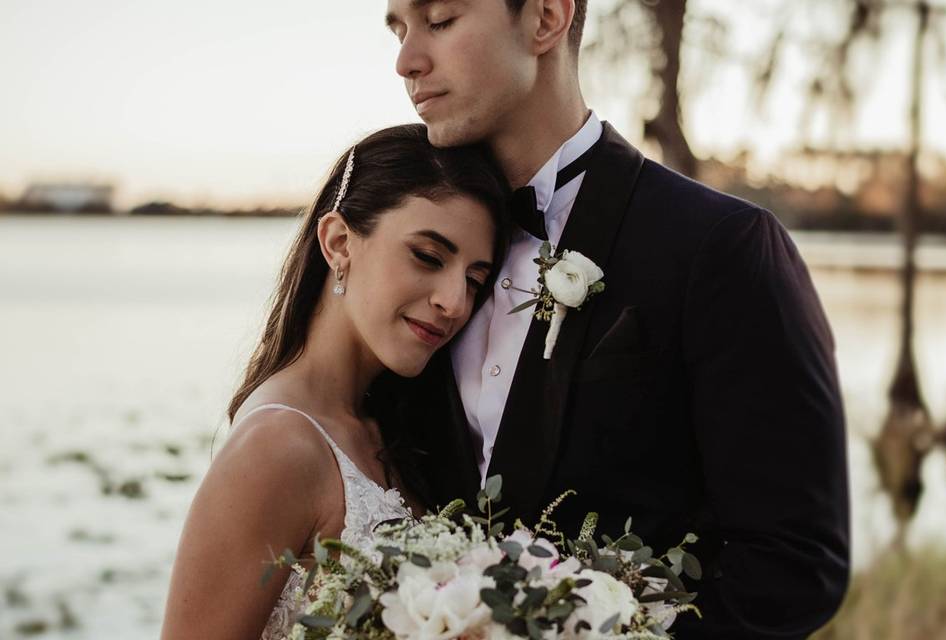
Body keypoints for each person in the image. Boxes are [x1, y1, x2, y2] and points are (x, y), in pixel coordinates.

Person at [384, 0, 851, 637]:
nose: (406, 61)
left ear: (546, 18)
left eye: (439, 21)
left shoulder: (721, 246)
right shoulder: (404, 250)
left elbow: (796, 564)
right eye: (399, 29)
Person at [160, 124, 509, 640]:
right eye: (428, 257)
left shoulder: (395, 427)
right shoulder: (275, 447)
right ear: (339, 241)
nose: (454, 302)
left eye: (474, 280)